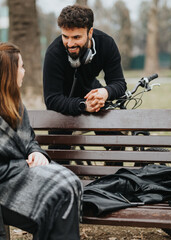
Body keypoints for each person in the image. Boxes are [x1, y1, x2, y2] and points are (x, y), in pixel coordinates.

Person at [0, 42, 82, 240]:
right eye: (21, 66)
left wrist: (35, 152)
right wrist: (24, 166)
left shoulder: (13, 102)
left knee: (68, 184)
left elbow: (28, 139)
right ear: (7, 73)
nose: (24, 71)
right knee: (59, 193)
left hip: (13, 178)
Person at [43, 4, 126, 165]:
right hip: (63, 104)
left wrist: (105, 92)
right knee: (58, 156)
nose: (69, 43)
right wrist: (83, 105)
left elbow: (119, 83)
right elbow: (52, 99)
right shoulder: (54, 53)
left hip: (92, 92)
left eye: (76, 37)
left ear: (90, 32)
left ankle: (114, 181)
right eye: (65, 36)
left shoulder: (106, 44)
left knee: (116, 140)